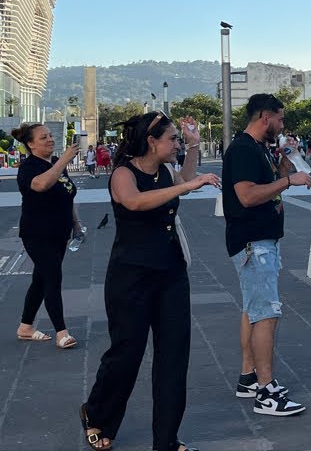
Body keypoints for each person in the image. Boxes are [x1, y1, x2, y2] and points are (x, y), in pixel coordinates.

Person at [81, 112, 219, 451]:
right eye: (172, 139)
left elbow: (183, 179)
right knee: (126, 354)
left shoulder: (166, 170)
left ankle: (166, 441)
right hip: (131, 276)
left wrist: (194, 144)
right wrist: (189, 184)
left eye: (177, 139)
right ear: (151, 141)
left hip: (171, 272)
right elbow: (134, 202)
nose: (175, 144)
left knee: (174, 356)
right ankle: (96, 414)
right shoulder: (124, 173)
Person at [222, 94, 311, 417]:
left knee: (253, 309)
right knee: (266, 313)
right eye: (280, 119)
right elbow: (246, 196)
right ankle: (266, 391)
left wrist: (288, 161)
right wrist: (290, 180)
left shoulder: (258, 148)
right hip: (253, 243)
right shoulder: (245, 149)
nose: (282, 124)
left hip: (259, 241)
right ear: (265, 117)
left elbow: (270, 184)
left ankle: (249, 377)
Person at [12, 122, 84, 350]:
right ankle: (62, 333)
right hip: (38, 233)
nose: (50, 139)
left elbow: (66, 195)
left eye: (51, 135)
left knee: (40, 279)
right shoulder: (29, 167)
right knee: (53, 278)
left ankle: (25, 327)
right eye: (43, 137)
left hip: (59, 232)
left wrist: (76, 225)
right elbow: (41, 184)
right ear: (31, 144)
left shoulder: (55, 164)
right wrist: (64, 159)